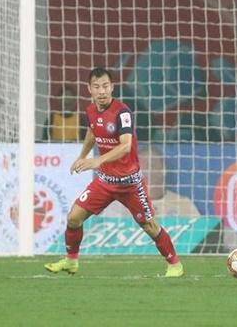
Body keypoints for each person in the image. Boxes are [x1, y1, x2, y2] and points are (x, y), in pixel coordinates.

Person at [44, 67, 184, 277]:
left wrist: (97, 160)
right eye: (97, 87)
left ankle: (175, 264)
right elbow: (92, 131)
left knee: (150, 226)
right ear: (89, 89)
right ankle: (71, 261)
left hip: (130, 184)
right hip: (105, 183)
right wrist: (82, 156)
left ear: (112, 87)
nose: (102, 91)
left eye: (105, 86)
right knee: (73, 218)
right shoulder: (91, 110)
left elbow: (126, 146)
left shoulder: (122, 112)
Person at [104, 145, 200, 218]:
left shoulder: (183, 204)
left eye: (152, 165)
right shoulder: (118, 206)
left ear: (163, 169)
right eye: (141, 167)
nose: (147, 171)